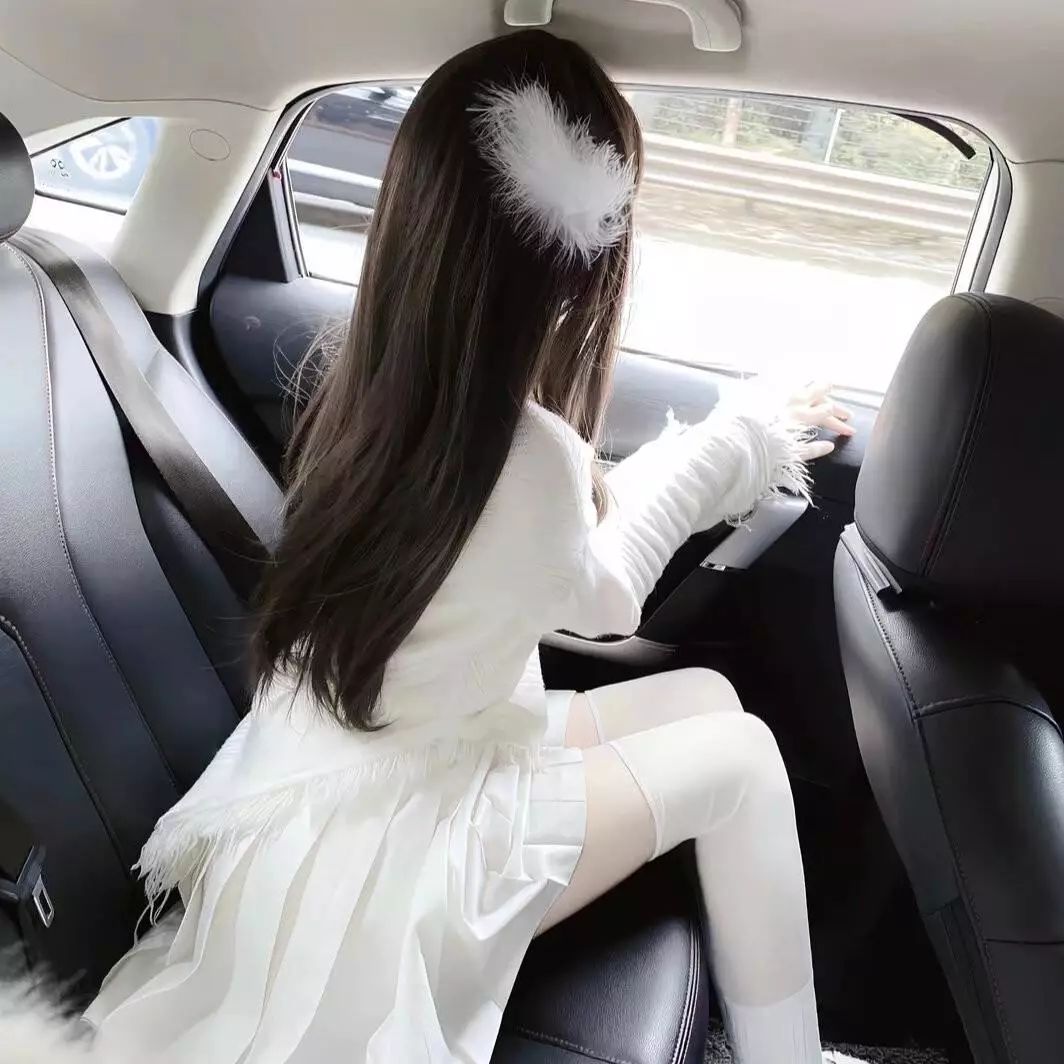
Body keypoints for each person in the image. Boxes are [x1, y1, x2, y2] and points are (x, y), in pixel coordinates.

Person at [0, 29, 865, 1064]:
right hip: (413, 840)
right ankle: (788, 1053)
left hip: (371, 766)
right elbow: (605, 599)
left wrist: (732, 438)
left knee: (708, 699)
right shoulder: (524, 451)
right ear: (580, 260)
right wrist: (734, 441)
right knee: (743, 756)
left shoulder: (373, 394)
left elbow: (560, 536)